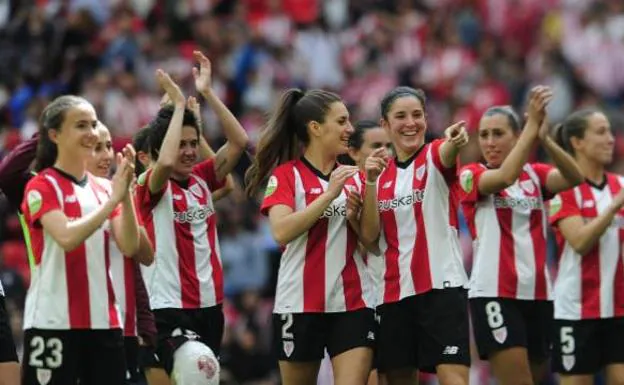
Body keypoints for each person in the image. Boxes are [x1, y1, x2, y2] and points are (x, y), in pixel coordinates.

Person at [245, 89, 382, 385]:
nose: (350, 129)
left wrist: (368, 187)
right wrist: (329, 195)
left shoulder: (356, 177)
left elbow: (371, 240)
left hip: (353, 303)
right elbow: (281, 231)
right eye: (342, 121)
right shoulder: (286, 175)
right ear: (316, 128)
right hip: (299, 302)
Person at [134, 50, 248, 384]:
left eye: (193, 143)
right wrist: (179, 106)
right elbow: (166, 164)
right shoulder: (149, 186)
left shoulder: (200, 181)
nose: (188, 150)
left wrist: (208, 93)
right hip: (165, 307)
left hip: (210, 305)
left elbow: (239, 141)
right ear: (154, 154)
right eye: (180, 143)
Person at [457, 87, 583, 385]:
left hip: (539, 293)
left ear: (516, 137)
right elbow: (504, 177)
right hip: (495, 294)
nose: (489, 142)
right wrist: (531, 128)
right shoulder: (471, 175)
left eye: (498, 133)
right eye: (484, 134)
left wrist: (545, 139)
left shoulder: (536, 175)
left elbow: (575, 178)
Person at [19, 95, 140, 385]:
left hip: (105, 322)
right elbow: (66, 237)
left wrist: (125, 195)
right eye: (80, 125)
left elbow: (130, 246)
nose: (91, 132)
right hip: (52, 323)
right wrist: (113, 200)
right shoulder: (40, 185)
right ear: (55, 134)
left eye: (94, 124)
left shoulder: (104, 188)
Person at [359, 86, 470, 385]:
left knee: (453, 377)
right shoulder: (378, 175)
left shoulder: (435, 154)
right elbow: (369, 236)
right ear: (385, 124)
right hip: (393, 294)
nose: (411, 123)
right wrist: (369, 183)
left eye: (417, 115)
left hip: (441, 288)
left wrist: (455, 141)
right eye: (401, 116)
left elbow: (448, 151)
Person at [549, 108, 624, 385]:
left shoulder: (621, 184)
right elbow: (580, 242)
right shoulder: (564, 190)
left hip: (619, 310)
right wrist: (615, 207)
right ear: (577, 142)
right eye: (601, 132)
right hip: (576, 311)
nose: (611, 139)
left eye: (611, 132)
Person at [85, 121, 156, 384]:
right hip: (89, 328)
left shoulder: (115, 192)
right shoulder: (72, 195)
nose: (106, 156)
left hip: (125, 327)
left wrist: (125, 193)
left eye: (107, 147)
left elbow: (145, 254)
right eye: (96, 148)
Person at [344, 120, 392, 385]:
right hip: (363, 297)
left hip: (397, 292)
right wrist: (353, 219)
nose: (384, 152)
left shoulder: (400, 181)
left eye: (388, 146)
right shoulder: (349, 186)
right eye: (376, 146)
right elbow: (366, 244)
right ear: (354, 152)